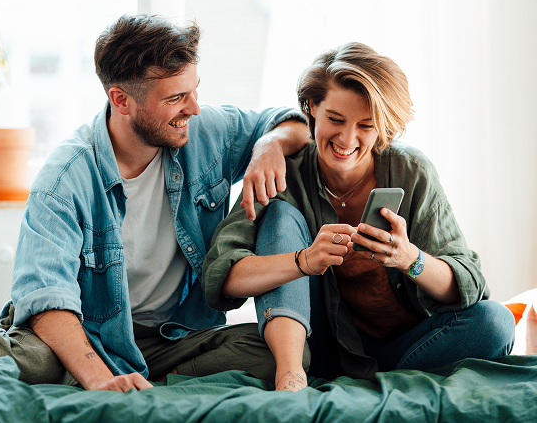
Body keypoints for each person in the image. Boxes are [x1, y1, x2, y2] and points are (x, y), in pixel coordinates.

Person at [0, 14, 311, 391]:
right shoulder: (63, 181)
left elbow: (293, 123)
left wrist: (269, 144)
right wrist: (98, 378)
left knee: (280, 352)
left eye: (194, 90)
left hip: (171, 336)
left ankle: (149, 375)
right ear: (121, 99)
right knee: (38, 361)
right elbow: (46, 300)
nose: (193, 108)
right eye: (176, 98)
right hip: (90, 333)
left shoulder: (205, 130)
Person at [203, 42, 516, 388]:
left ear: (382, 127)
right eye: (335, 119)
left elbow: (469, 284)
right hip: (317, 345)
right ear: (312, 107)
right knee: (279, 214)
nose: (347, 139)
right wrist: (305, 260)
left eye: (366, 126)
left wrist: (409, 258)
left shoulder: (411, 171)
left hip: (405, 347)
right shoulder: (284, 173)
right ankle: (290, 375)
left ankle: (383, 383)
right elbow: (221, 276)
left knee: (495, 322)